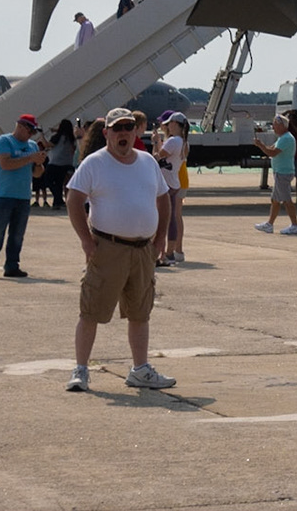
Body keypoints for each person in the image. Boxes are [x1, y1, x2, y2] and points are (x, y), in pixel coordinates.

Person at [63, 106, 174, 393]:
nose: (123, 133)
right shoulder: (94, 163)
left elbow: (164, 200)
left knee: (140, 312)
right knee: (91, 311)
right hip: (108, 248)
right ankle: (81, 370)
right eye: (117, 129)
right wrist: (86, 240)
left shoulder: (148, 162)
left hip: (142, 250)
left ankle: (140, 369)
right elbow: (74, 200)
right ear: (107, 133)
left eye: (128, 128)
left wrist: (161, 237)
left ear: (136, 131)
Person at [0, 112, 47, 279]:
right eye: (30, 130)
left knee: (17, 235)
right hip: (5, 194)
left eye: (33, 132)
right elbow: (5, 164)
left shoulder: (32, 146)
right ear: (19, 126)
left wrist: (38, 163)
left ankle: (12, 266)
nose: (31, 134)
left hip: (23, 196)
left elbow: (37, 174)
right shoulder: (4, 141)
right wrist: (29, 158)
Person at [250, 114, 297, 234]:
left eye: (276, 124)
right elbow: (271, 149)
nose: (273, 127)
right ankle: (270, 224)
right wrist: (262, 146)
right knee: (275, 200)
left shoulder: (286, 138)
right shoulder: (282, 138)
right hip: (281, 172)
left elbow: (272, 153)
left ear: (283, 126)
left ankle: (294, 225)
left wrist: (260, 145)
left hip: (283, 173)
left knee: (286, 200)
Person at [156, 115, 188, 263]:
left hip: (165, 183)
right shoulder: (184, 143)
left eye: (169, 124)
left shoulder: (173, 141)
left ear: (174, 124)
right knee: (172, 218)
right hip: (174, 181)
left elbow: (157, 156)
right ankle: (171, 252)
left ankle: (164, 252)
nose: (167, 127)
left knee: (162, 219)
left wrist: (156, 142)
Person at [46, 118, 78, 209]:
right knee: (59, 183)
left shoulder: (56, 137)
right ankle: (57, 203)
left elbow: (47, 145)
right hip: (67, 163)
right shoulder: (71, 138)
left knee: (48, 181)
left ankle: (58, 199)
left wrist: (41, 135)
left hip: (55, 162)